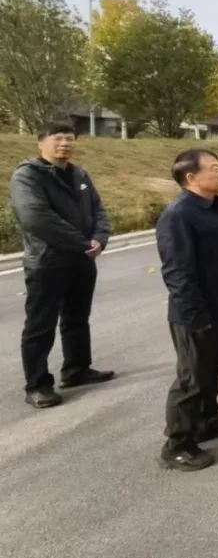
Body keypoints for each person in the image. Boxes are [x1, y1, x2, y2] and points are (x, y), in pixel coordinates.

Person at [155, 149, 218, 471]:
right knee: (192, 379)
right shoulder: (179, 215)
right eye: (214, 168)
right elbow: (177, 272)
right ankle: (177, 445)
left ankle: (207, 421)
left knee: (214, 370)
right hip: (197, 313)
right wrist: (195, 316)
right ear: (191, 178)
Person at [9, 121, 114, 409]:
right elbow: (36, 218)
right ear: (41, 142)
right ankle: (38, 384)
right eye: (58, 138)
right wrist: (83, 243)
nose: (65, 144)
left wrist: (100, 238)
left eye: (70, 139)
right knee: (41, 324)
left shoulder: (80, 174)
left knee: (77, 318)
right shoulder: (27, 176)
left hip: (81, 260)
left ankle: (77, 369)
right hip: (48, 262)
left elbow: (98, 209)